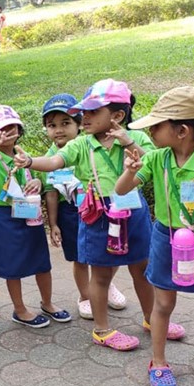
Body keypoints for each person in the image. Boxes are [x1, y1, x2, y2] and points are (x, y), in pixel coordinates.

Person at [13, 80, 157, 351]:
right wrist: (31, 161)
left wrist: (128, 143)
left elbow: (155, 166)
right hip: (98, 214)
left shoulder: (137, 138)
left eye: (92, 112)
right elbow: (56, 161)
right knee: (100, 274)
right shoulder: (81, 144)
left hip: (133, 211)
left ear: (117, 116)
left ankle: (152, 318)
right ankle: (102, 329)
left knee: (142, 269)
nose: (84, 117)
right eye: (84, 112)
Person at [114, 86, 194, 386]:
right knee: (164, 302)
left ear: (181, 130)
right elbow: (121, 190)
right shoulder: (156, 159)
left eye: (157, 125)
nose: (151, 131)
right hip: (166, 239)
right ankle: (158, 362)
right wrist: (130, 172)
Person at [0, 105, 70, 330]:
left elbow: (38, 178)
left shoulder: (21, 153)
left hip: (31, 214)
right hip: (6, 217)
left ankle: (47, 303)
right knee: (13, 266)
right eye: (0, 129)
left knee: (42, 263)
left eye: (12, 126)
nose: (7, 131)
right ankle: (20, 309)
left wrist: (36, 182)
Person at [41, 94, 128, 319]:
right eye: (52, 125)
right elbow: (50, 193)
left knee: (111, 249)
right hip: (71, 213)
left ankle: (105, 284)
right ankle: (85, 296)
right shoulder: (50, 158)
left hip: (102, 206)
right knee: (80, 257)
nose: (59, 130)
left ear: (79, 123)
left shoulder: (90, 146)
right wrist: (53, 224)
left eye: (66, 123)